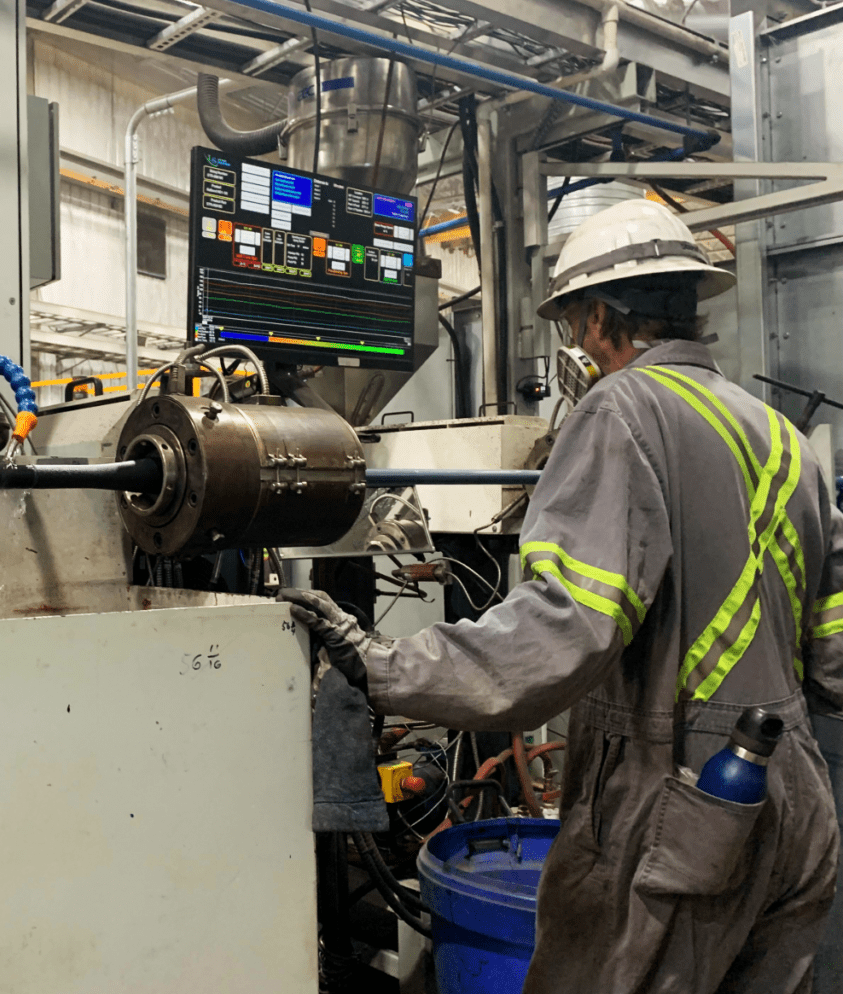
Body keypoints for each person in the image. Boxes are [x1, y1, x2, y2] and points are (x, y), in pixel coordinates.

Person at [281, 198, 843, 994]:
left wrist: (385, 665)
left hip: (680, 803)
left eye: (575, 325)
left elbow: (567, 627)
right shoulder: (784, 437)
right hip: (798, 801)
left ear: (602, 318)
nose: (576, 347)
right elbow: (834, 662)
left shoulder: (624, 410)